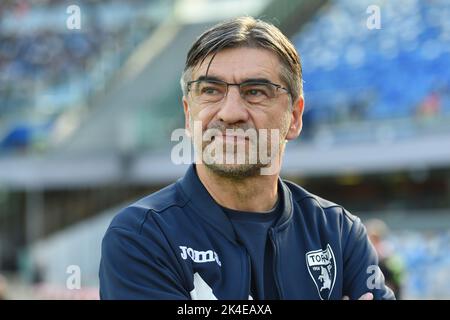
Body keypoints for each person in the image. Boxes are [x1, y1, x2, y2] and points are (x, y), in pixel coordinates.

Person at [99, 16, 395, 300]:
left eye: (255, 92)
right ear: (189, 115)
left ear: (294, 117)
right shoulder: (141, 236)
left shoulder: (341, 233)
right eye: (211, 90)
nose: (230, 113)